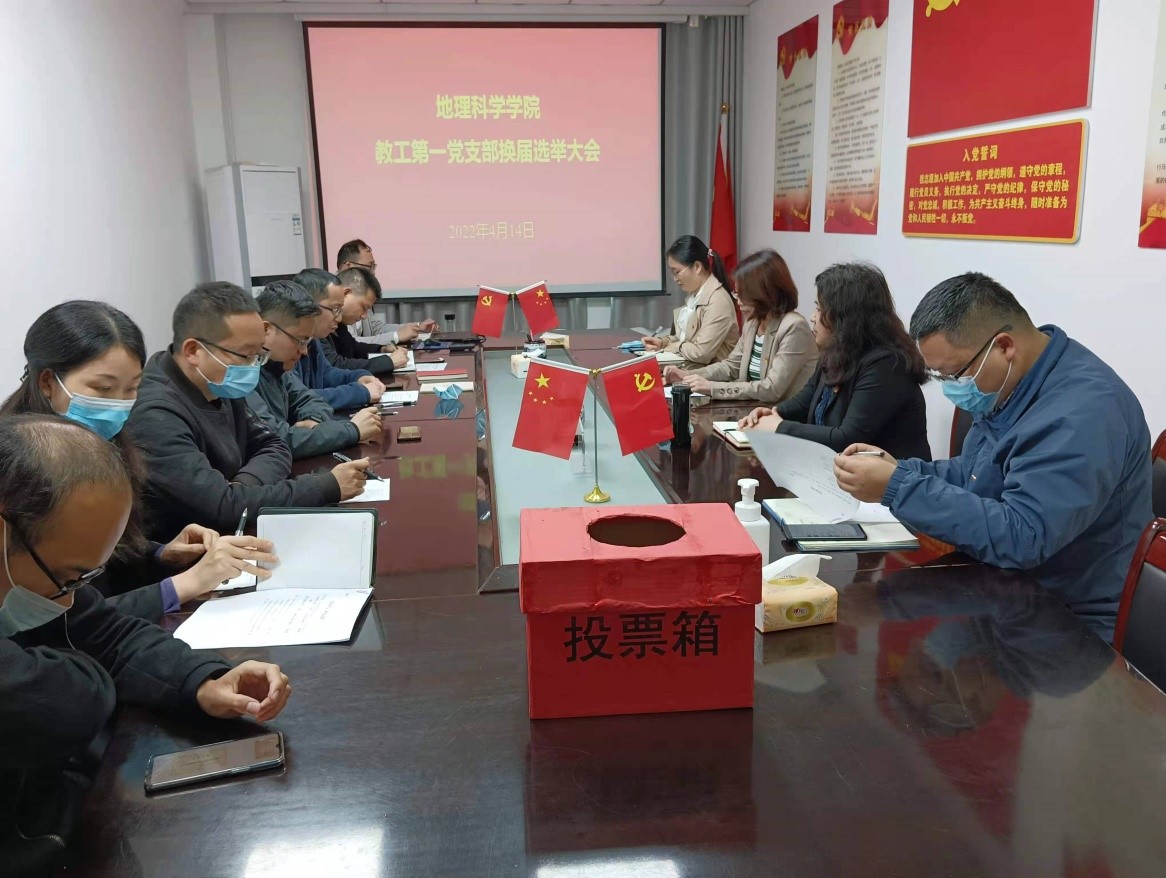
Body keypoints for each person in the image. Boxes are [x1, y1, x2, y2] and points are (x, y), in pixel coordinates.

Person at [0, 415, 291, 874]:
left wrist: (201, 680)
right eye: (68, 577)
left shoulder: (38, 571)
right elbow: (65, 704)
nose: (71, 597)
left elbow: (108, 633)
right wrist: (87, 669)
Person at [833, 272, 1152, 641]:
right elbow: (974, 473)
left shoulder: (1083, 413)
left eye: (954, 374)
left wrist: (899, 487)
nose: (951, 388)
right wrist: (899, 470)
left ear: (1004, 346)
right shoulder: (1016, 384)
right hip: (1004, 587)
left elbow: (1023, 536)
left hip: (1071, 616)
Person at [0, 301, 275, 622]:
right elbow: (62, 617)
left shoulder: (111, 443)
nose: (118, 405)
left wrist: (160, 554)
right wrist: (182, 585)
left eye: (131, 388)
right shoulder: (18, 470)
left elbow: (99, 564)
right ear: (48, 382)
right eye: (103, 388)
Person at [126, 282, 370, 540]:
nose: (253, 367)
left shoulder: (218, 382)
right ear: (193, 351)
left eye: (258, 355)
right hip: (191, 552)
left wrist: (243, 485)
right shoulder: (155, 413)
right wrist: (324, 487)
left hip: (233, 533)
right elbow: (221, 508)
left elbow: (275, 445)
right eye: (246, 356)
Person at [738, 262, 931, 461]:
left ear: (846, 318)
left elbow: (847, 439)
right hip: (834, 470)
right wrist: (771, 414)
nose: (812, 317)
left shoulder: (887, 365)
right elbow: (804, 403)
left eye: (819, 309)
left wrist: (779, 427)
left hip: (890, 477)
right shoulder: (838, 351)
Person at [247, 280, 382, 459]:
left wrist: (313, 420)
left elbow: (311, 399)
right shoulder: (244, 374)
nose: (304, 351)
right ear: (267, 330)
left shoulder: (277, 366)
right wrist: (352, 429)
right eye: (300, 340)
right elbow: (276, 438)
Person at [664, 249, 817, 403]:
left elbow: (771, 389)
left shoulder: (794, 327)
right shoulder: (753, 323)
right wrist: (687, 376)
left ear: (765, 294)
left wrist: (712, 388)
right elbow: (731, 366)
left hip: (781, 413)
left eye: (743, 295)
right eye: (736, 293)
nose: (738, 302)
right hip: (753, 408)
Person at [292, 268, 386, 411]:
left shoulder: (314, 338)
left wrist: (359, 377)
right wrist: (360, 393)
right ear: (310, 306)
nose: (339, 318)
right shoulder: (284, 345)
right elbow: (299, 398)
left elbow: (327, 373)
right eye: (335, 309)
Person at [640, 235, 739, 367]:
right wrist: (662, 342)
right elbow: (685, 338)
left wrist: (675, 346)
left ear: (697, 266)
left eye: (677, 272)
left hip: (710, 375)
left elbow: (702, 353)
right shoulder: (695, 295)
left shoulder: (718, 301)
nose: (675, 279)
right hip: (691, 370)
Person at [336, 239, 438, 344]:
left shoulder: (362, 292)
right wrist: (397, 336)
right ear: (349, 266)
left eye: (374, 267)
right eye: (369, 267)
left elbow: (377, 328)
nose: (373, 273)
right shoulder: (333, 302)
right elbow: (351, 343)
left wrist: (417, 327)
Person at [322, 267, 409, 377]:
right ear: (345, 293)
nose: (364, 316)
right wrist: (389, 362)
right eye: (364, 307)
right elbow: (336, 365)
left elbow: (352, 346)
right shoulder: (318, 323)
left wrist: (381, 349)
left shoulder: (340, 322)